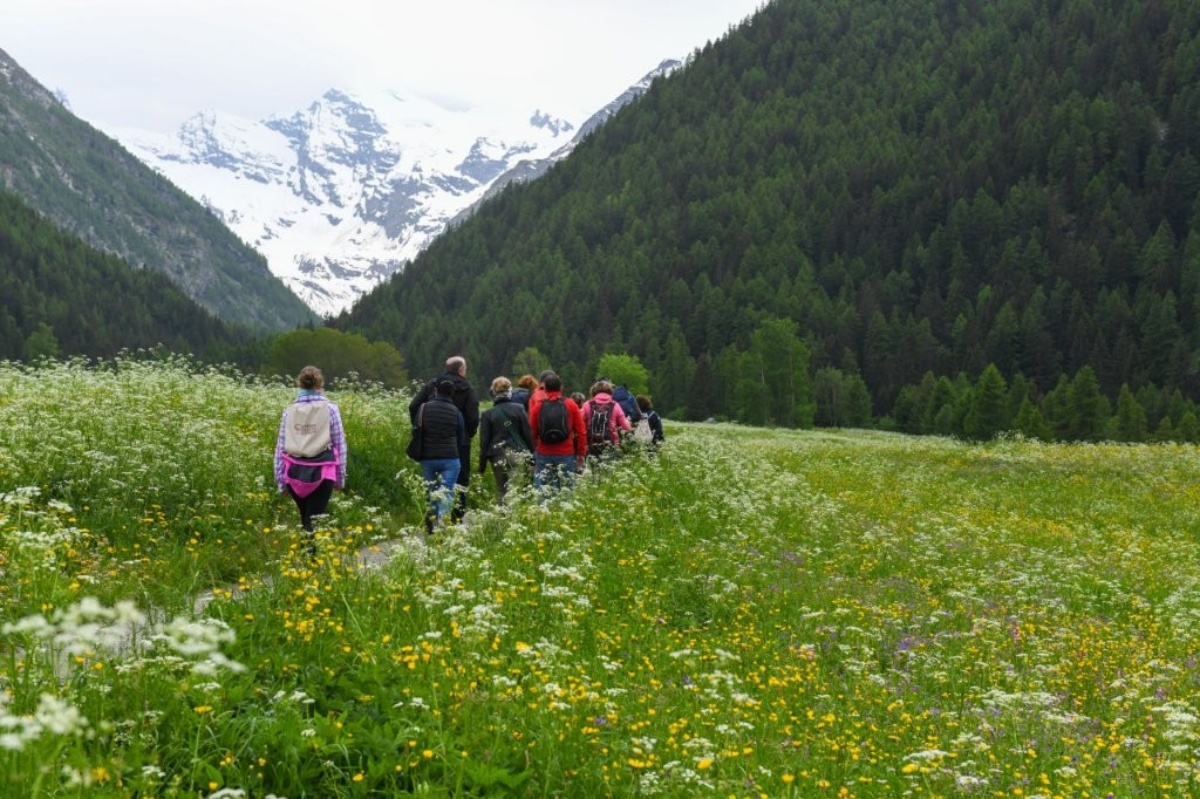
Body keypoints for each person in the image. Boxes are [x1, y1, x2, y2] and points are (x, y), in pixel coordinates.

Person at [274, 366, 347, 543]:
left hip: (294, 471)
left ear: (299, 384)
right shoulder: (330, 409)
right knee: (313, 521)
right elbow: (340, 444)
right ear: (320, 384)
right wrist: (340, 478)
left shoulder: (288, 411)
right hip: (323, 472)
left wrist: (280, 482)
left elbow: (280, 447)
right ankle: (310, 564)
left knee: (305, 518)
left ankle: (306, 563)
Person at [409, 356, 479, 523]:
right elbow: (473, 417)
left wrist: (419, 428)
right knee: (460, 481)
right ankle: (456, 518)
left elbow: (413, 406)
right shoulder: (467, 388)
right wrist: (468, 435)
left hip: (429, 443)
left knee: (431, 484)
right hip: (459, 444)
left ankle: (432, 518)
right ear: (461, 370)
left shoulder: (433, 385)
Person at [412, 377, 466, 532]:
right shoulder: (456, 412)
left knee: (432, 491)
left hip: (428, 458)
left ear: (436, 391)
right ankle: (442, 523)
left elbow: (416, 428)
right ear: (452, 393)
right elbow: (461, 437)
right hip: (450, 458)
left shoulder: (423, 408)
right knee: (447, 491)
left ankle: (432, 521)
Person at [478, 376, 533, 503]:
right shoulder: (519, 409)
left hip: (497, 455)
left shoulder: (488, 414)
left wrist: (482, 466)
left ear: (494, 392)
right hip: (517, 453)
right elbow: (527, 434)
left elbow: (484, 442)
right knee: (516, 489)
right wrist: (532, 457)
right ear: (510, 391)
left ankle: (503, 518)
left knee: (502, 489)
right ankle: (516, 517)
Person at [528, 372, 586, 493]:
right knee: (566, 491)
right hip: (566, 453)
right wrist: (581, 454)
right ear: (561, 388)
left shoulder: (538, 407)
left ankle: (545, 511)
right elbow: (581, 432)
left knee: (545, 492)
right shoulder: (571, 404)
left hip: (544, 453)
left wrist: (535, 451)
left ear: (545, 389)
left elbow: (532, 432)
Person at [582, 380, 631, 462]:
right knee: (609, 471)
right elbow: (627, 428)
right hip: (610, 444)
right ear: (610, 391)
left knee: (594, 471)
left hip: (591, 445)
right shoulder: (615, 405)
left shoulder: (587, 404)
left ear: (593, 391)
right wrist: (628, 421)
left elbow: (579, 423)